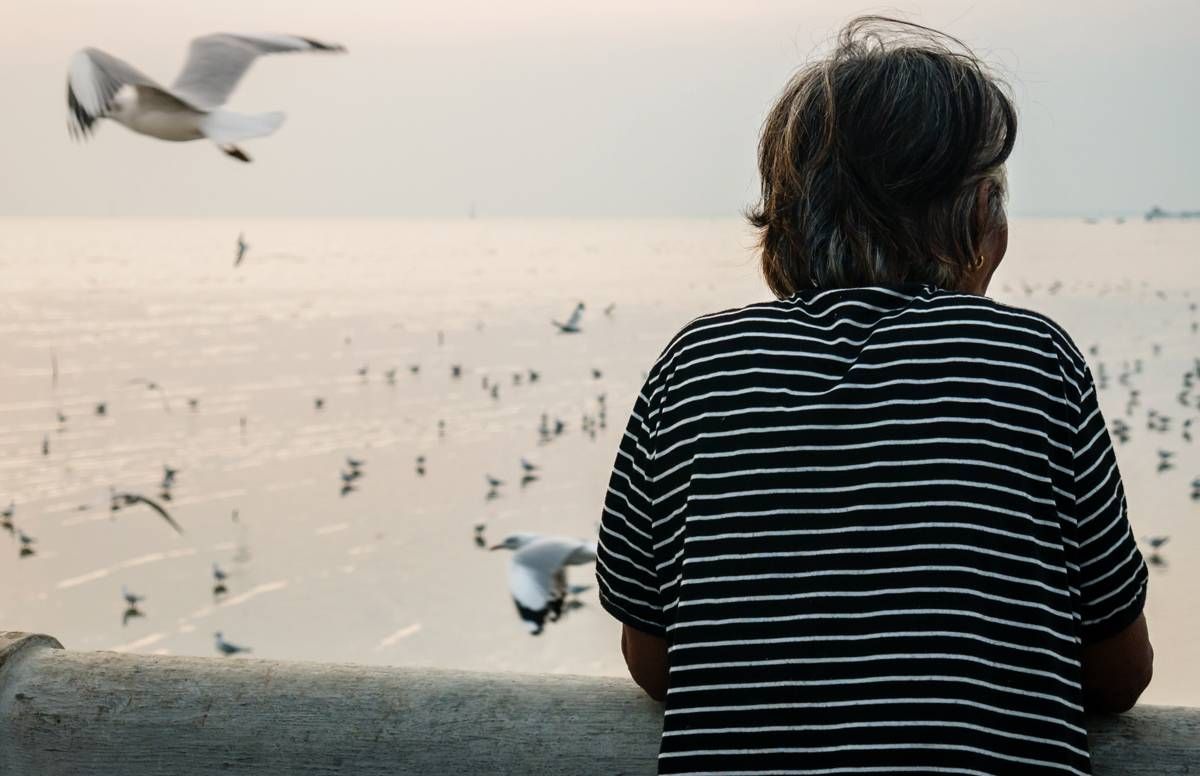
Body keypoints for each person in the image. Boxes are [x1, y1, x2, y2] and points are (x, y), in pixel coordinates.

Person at [595, 16, 1152, 776]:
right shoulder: (1028, 357)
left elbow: (654, 659)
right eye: (995, 193)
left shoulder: (697, 364)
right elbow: (1120, 674)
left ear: (784, 219)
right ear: (977, 217)